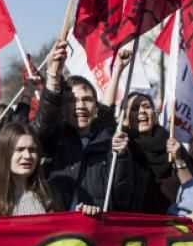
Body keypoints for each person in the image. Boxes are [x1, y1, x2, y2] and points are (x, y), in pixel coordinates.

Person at [35, 41, 132, 211]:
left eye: (87, 100)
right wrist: (53, 72)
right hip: (58, 229)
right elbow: (45, 118)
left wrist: (118, 69)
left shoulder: (107, 139)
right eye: (72, 100)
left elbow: (106, 111)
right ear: (63, 107)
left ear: (95, 105)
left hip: (95, 230)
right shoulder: (53, 137)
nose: (80, 105)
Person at [0, 123, 66, 224]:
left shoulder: (51, 194)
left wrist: (83, 216)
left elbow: (65, 234)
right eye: (19, 150)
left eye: (32, 150)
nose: (27, 156)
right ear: (4, 154)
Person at [124, 93, 193, 214]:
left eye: (146, 106)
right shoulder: (124, 147)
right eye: (134, 109)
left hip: (172, 222)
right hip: (135, 223)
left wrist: (178, 160)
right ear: (126, 117)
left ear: (155, 112)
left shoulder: (173, 144)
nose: (142, 112)